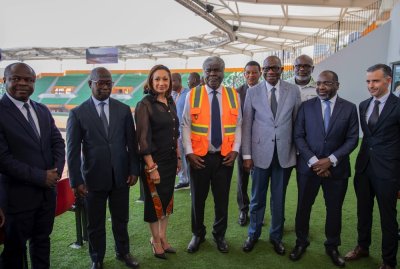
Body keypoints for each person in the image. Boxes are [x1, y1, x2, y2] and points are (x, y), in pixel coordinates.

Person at [67, 67, 140, 269]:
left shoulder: (123, 110)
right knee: (95, 223)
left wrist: (134, 170)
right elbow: (72, 151)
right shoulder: (78, 113)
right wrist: (76, 181)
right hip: (93, 178)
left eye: (109, 82)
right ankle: (97, 258)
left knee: (121, 219)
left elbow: (131, 144)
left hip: (120, 177)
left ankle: (123, 252)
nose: (106, 86)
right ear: (90, 84)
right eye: (101, 82)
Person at [290, 70, 359, 267]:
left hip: (337, 170)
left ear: (337, 85)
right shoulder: (306, 107)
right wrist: (314, 161)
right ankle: (301, 243)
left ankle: (332, 246)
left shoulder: (349, 108)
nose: (321, 87)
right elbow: (299, 136)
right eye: (319, 83)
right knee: (303, 207)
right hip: (308, 169)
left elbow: (353, 139)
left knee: (334, 209)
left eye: (326, 83)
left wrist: (330, 160)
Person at [0, 62, 65, 269]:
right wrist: (40, 176)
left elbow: (57, 142)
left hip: (46, 196)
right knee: (15, 252)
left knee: (42, 243)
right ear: (4, 81)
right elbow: (3, 159)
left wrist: (55, 171)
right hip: (17, 198)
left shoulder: (42, 110)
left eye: (28, 80)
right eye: (16, 79)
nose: (23, 83)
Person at [241, 55, 301, 254]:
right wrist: (247, 155)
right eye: (267, 68)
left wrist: (297, 152)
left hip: (284, 154)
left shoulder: (293, 91)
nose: (271, 71)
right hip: (259, 155)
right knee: (257, 198)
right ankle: (253, 234)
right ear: (262, 71)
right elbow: (247, 125)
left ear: (282, 69)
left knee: (279, 198)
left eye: (275, 68)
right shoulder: (253, 92)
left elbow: (297, 124)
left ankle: (276, 237)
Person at [182, 56, 241, 253]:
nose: (213, 74)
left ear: (224, 71)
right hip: (199, 157)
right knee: (198, 200)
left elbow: (238, 125)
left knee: (222, 200)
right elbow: (185, 126)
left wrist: (235, 150)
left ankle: (219, 235)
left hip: (225, 157)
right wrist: (189, 153)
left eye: (217, 70)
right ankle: (198, 234)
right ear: (203, 72)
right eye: (209, 70)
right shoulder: (193, 94)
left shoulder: (233, 95)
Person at [345, 64, 400, 269]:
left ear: (388, 80)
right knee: (363, 211)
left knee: (388, 217)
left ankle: (388, 261)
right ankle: (362, 246)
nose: (371, 85)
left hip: (388, 172)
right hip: (364, 169)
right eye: (368, 81)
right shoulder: (363, 105)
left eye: (375, 81)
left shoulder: (398, 105)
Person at [135, 65, 180, 260]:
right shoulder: (144, 104)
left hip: (170, 161)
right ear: (151, 82)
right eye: (157, 79)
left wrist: (178, 158)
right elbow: (142, 140)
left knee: (167, 200)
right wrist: (151, 167)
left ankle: (162, 237)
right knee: (154, 204)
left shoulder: (171, 101)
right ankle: (154, 240)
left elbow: (175, 133)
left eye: (165, 79)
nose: (161, 83)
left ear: (170, 82)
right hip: (153, 163)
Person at [235, 60, 261, 226]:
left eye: (254, 72)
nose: (251, 75)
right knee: (242, 178)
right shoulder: (236, 93)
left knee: (259, 180)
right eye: (248, 72)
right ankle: (243, 210)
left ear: (260, 74)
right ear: (244, 74)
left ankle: (257, 211)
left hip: (261, 143)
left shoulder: (265, 92)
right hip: (242, 143)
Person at [171, 73, 190, 190]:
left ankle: (193, 181)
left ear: (179, 81)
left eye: (173, 81)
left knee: (189, 156)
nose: (171, 84)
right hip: (175, 132)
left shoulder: (188, 93)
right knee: (179, 156)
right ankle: (184, 180)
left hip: (187, 130)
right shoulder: (171, 95)